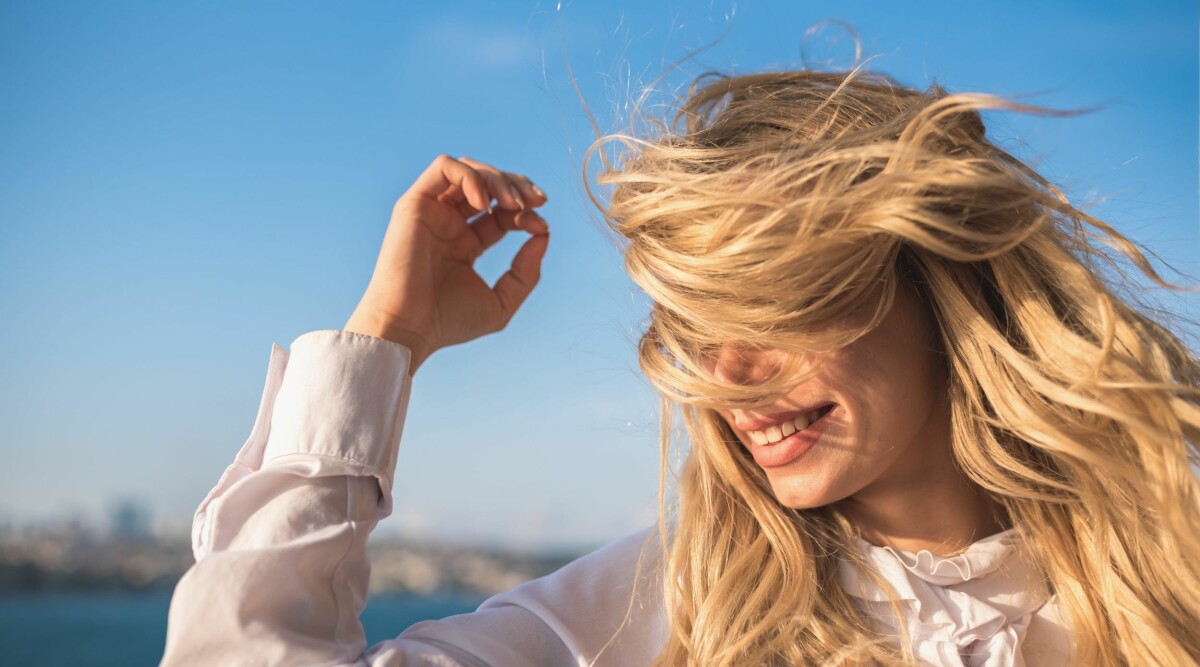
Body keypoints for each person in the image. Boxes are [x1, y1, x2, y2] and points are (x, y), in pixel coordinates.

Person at [160, 66, 1200, 666]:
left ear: (935, 282)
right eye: (694, 326)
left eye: (766, 308)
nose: (725, 371)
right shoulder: (660, 608)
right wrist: (383, 337)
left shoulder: (1169, 575)